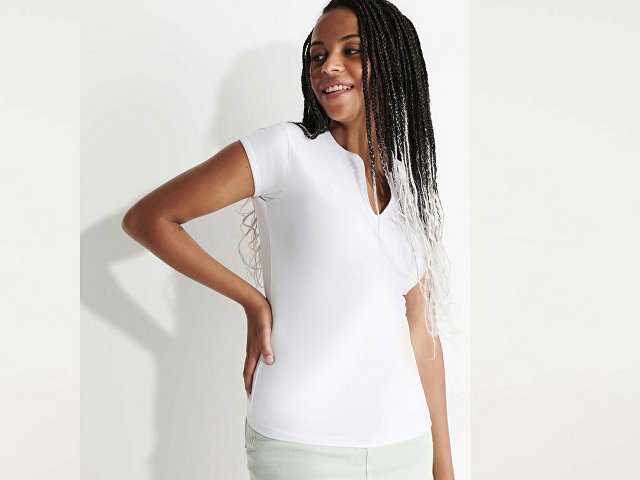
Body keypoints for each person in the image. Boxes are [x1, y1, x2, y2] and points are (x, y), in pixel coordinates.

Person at [122, 0, 457, 478]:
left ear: (392, 59)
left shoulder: (409, 182)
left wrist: (443, 466)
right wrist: (251, 300)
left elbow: (421, 331)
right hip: (300, 444)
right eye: (318, 56)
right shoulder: (284, 150)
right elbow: (150, 219)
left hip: (404, 443)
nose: (329, 67)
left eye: (352, 50)